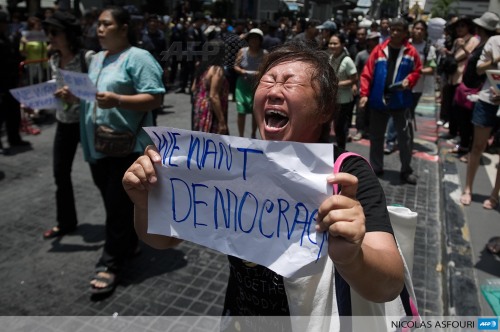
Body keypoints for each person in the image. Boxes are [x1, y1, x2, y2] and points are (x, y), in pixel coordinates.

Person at [122, 41, 404, 324]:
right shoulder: (232, 164)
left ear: (325, 109)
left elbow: (390, 285)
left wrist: (352, 258)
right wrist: (146, 203)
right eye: (267, 80)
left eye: (289, 83)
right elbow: (163, 240)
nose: (273, 90)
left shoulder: (347, 175)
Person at [74, 6, 165, 295]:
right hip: (98, 144)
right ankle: (129, 242)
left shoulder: (139, 58)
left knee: (116, 205)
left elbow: (155, 97)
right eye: (97, 25)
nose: (98, 30)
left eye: (105, 24)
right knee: (114, 202)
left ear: (123, 27)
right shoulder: (97, 58)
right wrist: (73, 94)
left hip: (127, 147)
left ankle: (111, 263)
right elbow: (92, 94)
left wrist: (118, 100)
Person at [41, 11, 94, 239]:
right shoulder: (53, 59)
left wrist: (77, 97)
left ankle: (123, 230)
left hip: (87, 124)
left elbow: (99, 92)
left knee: (102, 177)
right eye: (48, 32)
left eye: (54, 32)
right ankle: (66, 222)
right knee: (60, 174)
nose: (49, 37)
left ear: (69, 35)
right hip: (63, 124)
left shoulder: (88, 58)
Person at [359, 18, 422, 185]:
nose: (395, 32)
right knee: (377, 136)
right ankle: (376, 167)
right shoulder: (379, 50)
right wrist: (364, 94)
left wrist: (410, 79)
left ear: (404, 33)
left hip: (401, 101)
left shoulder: (411, 52)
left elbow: (417, 71)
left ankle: (406, 170)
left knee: (405, 138)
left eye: (399, 30)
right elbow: (367, 73)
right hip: (378, 101)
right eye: (393, 29)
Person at [460, 30, 500, 209]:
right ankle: (468, 188)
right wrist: (495, 60)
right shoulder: (494, 41)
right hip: (487, 100)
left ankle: (494, 195)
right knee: (477, 146)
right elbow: (478, 68)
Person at [384, 19, 437, 154]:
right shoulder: (403, 45)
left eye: (421, 29)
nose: (418, 31)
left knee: (406, 113)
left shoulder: (428, 49)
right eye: (416, 28)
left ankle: (404, 141)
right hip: (398, 86)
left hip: (415, 88)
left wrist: (415, 72)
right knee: (395, 111)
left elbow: (431, 68)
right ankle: (391, 140)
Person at [0, 11, 28, 154]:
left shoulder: (8, 38)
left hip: (11, 80)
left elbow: (15, 56)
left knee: (13, 112)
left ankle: (14, 138)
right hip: (1, 82)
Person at [233, 28, 267, 138]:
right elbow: (235, 65)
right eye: (251, 39)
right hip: (242, 84)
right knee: (241, 111)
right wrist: (242, 71)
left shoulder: (264, 53)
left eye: (256, 39)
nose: (254, 41)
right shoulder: (242, 51)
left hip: (256, 85)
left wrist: (260, 73)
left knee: (255, 111)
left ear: (260, 40)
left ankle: (253, 134)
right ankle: (241, 135)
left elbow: (267, 68)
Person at [191, 39, 229, 134]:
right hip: (211, 112)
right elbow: (213, 96)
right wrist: (222, 121)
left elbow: (193, 88)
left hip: (200, 109)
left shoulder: (202, 66)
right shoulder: (217, 70)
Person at [328, 34, 358, 150]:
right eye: (330, 43)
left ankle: (342, 150)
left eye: (335, 43)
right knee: (330, 126)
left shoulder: (347, 60)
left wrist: (338, 84)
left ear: (342, 45)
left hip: (344, 99)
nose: (332, 46)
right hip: (332, 98)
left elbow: (355, 79)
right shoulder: (330, 58)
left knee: (340, 127)